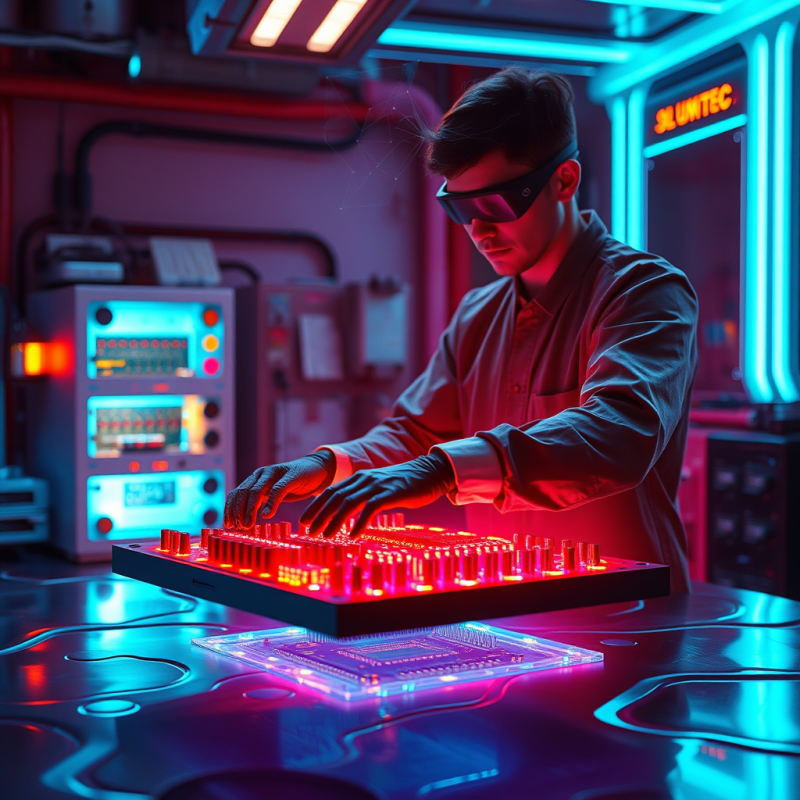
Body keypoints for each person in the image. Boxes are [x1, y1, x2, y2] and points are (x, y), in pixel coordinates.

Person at [225, 68, 698, 592]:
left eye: (495, 204)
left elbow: (618, 432)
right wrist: (328, 464)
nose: (479, 231)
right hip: (512, 616)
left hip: (628, 619)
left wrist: (442, 471)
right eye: (459, 208)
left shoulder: (643, 292)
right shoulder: (478, 313)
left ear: (564, 180)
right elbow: (417, 433)